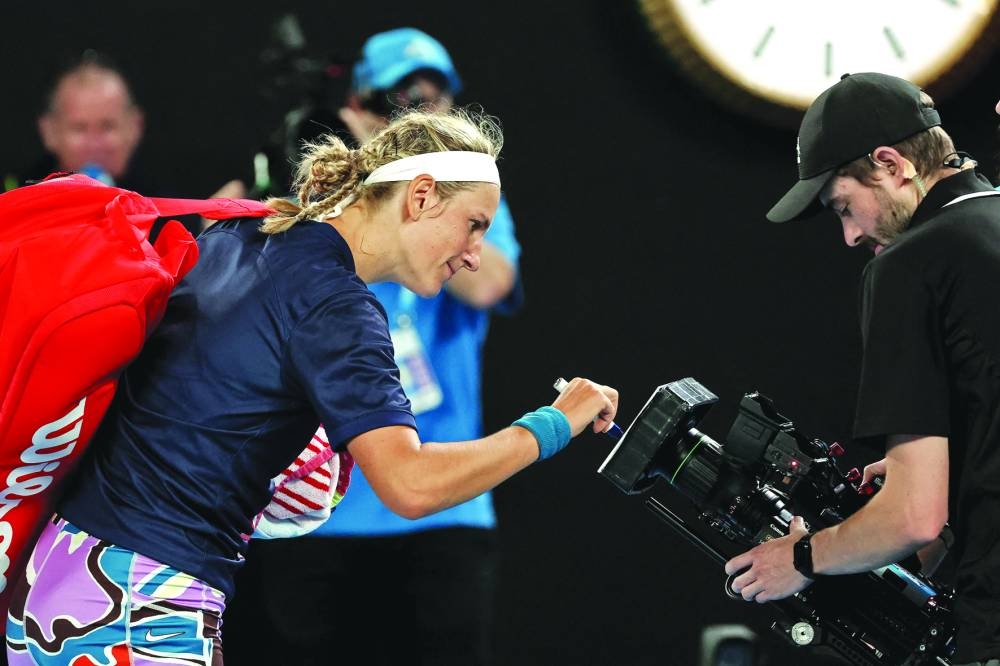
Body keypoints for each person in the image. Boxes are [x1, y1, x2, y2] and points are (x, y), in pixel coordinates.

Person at [4, 106, 617, 666]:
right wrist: (551, 425)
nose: (476, 254)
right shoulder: (337, 307)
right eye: (474, 224)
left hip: (57, 580)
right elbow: (409, 483)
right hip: (138, 603)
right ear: (422, 196)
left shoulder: (238, 236)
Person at [225, 28, 521, 666]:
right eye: (401, 106)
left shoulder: (472, 201)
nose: (423, 116)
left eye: (435, 100)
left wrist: (434, 207)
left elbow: (494, 281)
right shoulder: (317, 194)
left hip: (443, 512)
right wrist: (361, 178)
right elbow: (213, 246)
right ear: (361, 107)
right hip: (312, 508)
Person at [723, 72, 1000, 665]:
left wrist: (799, 559)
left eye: (845, 207)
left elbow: (914, 516)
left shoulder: (910, 264)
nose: (849, 236)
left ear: (891, 164)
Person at [6, 50, 241, 236]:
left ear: (135, 127)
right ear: (49, 132)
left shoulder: (175, 213)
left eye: (108, 126)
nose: (95, 144)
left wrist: (212, 236)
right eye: (79, 128)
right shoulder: (10, 209)